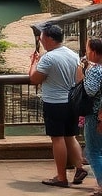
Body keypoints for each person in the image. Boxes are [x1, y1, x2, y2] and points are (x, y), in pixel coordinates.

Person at [29, 22, 87, 187]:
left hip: (55, 102)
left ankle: (61, 177)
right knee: (70, 136)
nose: (40, 39)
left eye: (41, 37)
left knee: (58, 138)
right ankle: (79, 167)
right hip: (72, 102)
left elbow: (34, 79)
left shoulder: (48, 57)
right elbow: (79, 78)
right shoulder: (72, 54)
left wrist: (33, 62)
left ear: (48, 38)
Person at [78, 38, 102, 193]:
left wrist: (82, 74)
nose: (86, 53)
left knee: (92, 151)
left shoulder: (95, 70)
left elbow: (90, 91)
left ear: (93, 52)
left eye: (87, 50)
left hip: (95, 115)